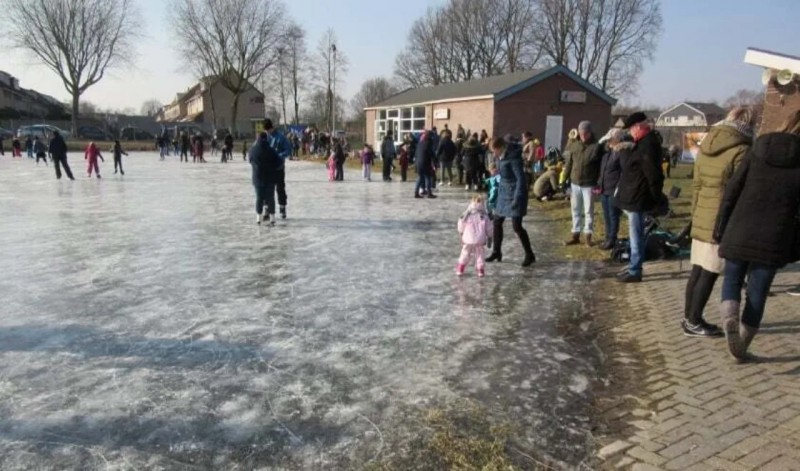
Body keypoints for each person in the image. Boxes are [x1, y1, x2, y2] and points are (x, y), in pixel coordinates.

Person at [714, 110, 800, 361]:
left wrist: (721, 224)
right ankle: (742, 342)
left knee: (731, 279)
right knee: (758, 291)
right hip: (775, 234)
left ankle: (729, 314)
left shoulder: (758, 148)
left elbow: (733, 187)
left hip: (741, 226)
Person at [682, 107, 754, 338]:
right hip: (721, 218)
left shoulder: (706, 144)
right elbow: (739, 190)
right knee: (710, 271)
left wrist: (695, 215)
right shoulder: (742, 150)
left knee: (698, 270)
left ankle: (688, 317)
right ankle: (694, 320)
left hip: (702, 213)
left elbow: (696, 184)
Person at [615, 112, 664, 283]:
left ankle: (635, 270)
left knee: (636, 235)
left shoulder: (648, 144)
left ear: (639, 127)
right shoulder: (641, 143)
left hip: (639, 197)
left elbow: (653, 174)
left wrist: (657, 197)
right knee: (634, 234)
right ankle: (632, 266)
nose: (631, 133)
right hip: (634, 195)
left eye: (632, 129)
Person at [485, 136, 536, 266]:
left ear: (501, 147)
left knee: (516, 226)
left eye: (494, 150)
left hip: (515, 193)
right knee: (497, 221)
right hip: (504, 193)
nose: (493, 153)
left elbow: (520, 179)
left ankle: (529, 254)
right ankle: (497, 251)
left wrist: (517, 197)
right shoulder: (500, 157)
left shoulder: (514, 158)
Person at [563, 121, 602, 247]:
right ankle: (575, 235)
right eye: (581, 133)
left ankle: (588, 236)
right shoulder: (574, 145)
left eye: (586, 133)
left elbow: (601, 166)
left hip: (589, 184)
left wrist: (599, 182)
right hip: (575, 183)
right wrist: (564, 179)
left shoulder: (596, 146)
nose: (583, 135)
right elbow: (569, 162)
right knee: (575, 210)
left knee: (588, 211)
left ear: (590, 133)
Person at [597, 128, 625, 250]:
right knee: (606, 215)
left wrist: (618, 188)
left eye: (610, 140)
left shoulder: (620, 154)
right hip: (604, 189)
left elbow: (623, 172)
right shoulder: (607, 154)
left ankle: (612, 238)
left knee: (613, 215)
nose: (608, 142)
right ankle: (608, 237)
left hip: (614, 189)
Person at [249, 131, 282, 226]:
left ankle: (258, 217)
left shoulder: (253, 150)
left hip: (257, 178)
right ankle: (272, 217)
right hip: (270, 178)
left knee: (259, 198)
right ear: (266, 139)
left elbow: (250, 160)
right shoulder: (271, 150)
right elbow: (279, 163)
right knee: (270, 198)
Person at [456, 194, 493, 277]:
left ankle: (460, 268)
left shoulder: (467, 214)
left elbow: (461, 223)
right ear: (482, 204)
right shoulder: (484, 215)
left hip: (468, 239)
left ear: (471, 202)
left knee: (465, 253)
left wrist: (461, 232)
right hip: (480, 239)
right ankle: (480, 270)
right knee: (480, 254)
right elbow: (489, 228)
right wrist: (490, 237)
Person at [264, 119, 292, 218]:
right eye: (265, 131)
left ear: (271, 128)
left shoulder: (281, 137)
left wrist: (278, 156)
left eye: (268, 130)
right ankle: (267, 208)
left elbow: (288, 150)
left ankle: (282, 207)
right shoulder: (264, 137)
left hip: (278, 167)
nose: (267, 133)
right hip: (267, 168)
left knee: (280, 188)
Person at [414, 131, 436, 199]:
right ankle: (429, 193)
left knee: (420, 177)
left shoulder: (419, 143)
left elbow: (416, 154)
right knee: (428, 177)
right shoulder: (428, 144)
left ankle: (416, 193)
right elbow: (431, 154)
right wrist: (435, 162)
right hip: (425, 163)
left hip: (418, 163)